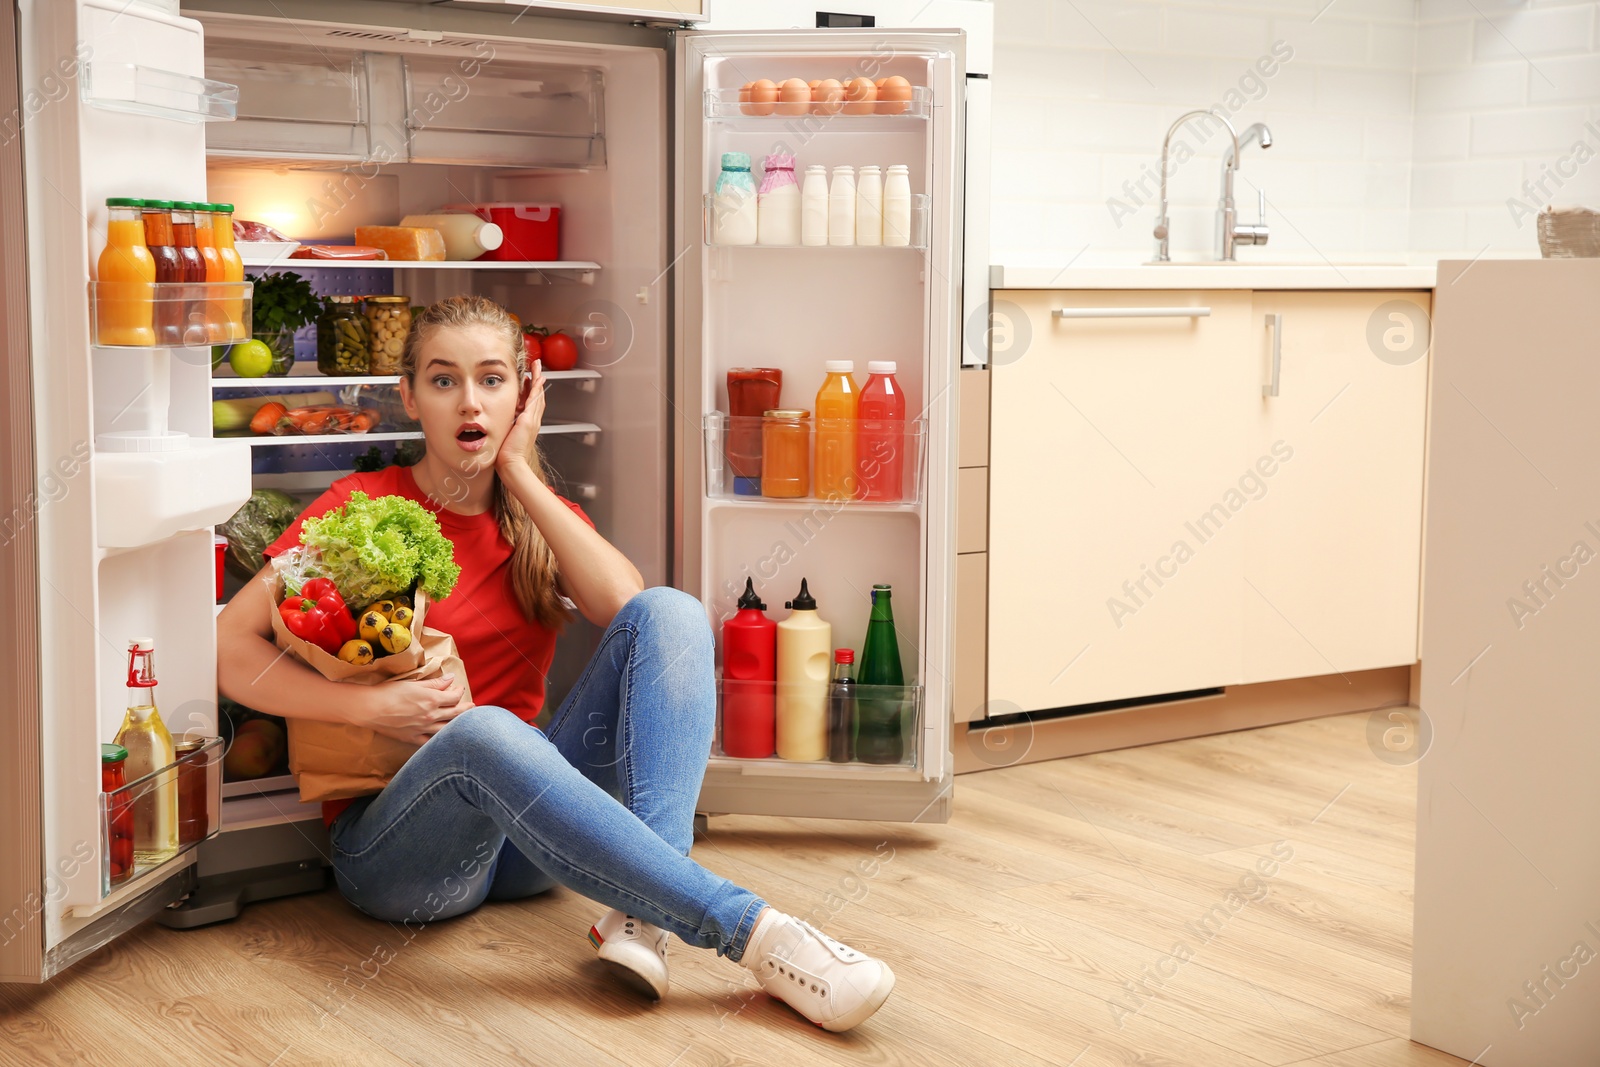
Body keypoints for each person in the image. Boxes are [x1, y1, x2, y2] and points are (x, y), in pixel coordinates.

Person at [216, 295, 894, 1032]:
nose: (469, 401)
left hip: (525, 847)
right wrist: (369, 707)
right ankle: (760, 936)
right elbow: (229, 644)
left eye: (493, 379)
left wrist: (519, 472)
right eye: (443, 381)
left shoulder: (536, 516)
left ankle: (642, 912)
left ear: (525, 393)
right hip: (400, 855)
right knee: (482, 734)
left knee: (670, 609)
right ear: (409, 395)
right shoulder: (361, 507)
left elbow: (626, 605)